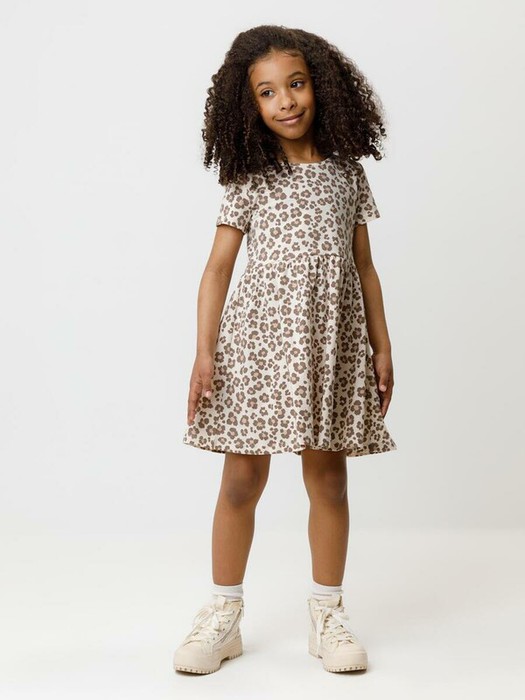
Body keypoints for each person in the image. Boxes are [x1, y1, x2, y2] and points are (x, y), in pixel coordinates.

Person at [173, 24, 398, 675]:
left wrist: (382, 346)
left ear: (319, 85)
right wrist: (204, 353)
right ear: (249, 105)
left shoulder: (345, 173)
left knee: (328, 479)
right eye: (267, 92)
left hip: (329, 346)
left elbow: (364, 267)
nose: (286, 101)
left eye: (295, 84)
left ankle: (327, 614)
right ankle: (223, 614)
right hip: (257, 350)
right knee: (241, 480)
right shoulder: (250, 176)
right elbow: (217, 269)